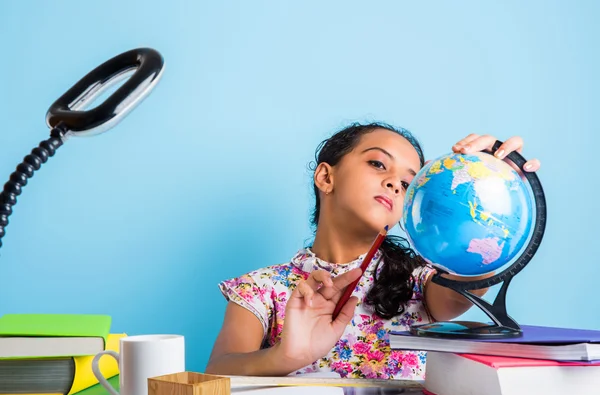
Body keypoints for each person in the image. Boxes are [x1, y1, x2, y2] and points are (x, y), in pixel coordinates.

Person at [205, 122, 541, 380]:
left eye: (409, 184)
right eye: (379, 164)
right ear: (325, 176)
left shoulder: (420, 284)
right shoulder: (260, 288)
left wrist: (495, 190)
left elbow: (472, 277)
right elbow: (213, 374)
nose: (396, 183)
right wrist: (286, 357)